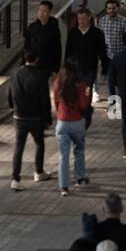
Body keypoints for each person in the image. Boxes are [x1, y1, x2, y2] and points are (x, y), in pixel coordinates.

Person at [7, 50, 52, 191]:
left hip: (19, 116)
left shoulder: (15, 73)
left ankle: (15, 178)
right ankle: (39, 171)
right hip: (35, 117)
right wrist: (47, 118)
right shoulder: (40, 76)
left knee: (18, 147)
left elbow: (10, 93)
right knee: (39, 144)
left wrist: (12, 107)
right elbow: (45, 100)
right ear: (36, 59)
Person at [52, 61, 93, 194]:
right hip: (77, 122)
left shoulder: (58, 83)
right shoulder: (80, 85)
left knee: (63, 156)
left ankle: (64, 186)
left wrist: (60, 113)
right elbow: (83, 105)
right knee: (79, 150)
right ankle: (80, 177)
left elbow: (56, 102)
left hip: (62, 122)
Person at [64, 6, 109, 108]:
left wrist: (104, 70)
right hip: (75, 68)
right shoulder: (73, 32)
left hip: (90, 68)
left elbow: (102, 52)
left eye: (83, 18)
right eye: (79, 18)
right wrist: (66, 67)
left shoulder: (97, 33)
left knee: (87, 91)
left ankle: (86, 111)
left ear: (89, 18)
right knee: (75, 91)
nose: (81, 21)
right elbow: (68, 51)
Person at [97, 0, 126, 99]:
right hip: (108, 56)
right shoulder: (102, 21)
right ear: (106, 9)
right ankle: (114, 106)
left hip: (120, 56)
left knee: (120, 81)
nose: (111, 10)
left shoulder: (124, 22)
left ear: (117, 8)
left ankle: (123, 101)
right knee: (110, 81)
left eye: (113, 8)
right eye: (109, 8)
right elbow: (100, 37)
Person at [23, 0, 62, 77]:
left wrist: (55, 69)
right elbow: (26, 45)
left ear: (49, 12)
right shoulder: (32, 27)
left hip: (47, 65)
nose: (41, 13)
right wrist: (24, 61)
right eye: (40, 10)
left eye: (44, 11)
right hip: (32, 63)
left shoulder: (54, 29)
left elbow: (57, 49)